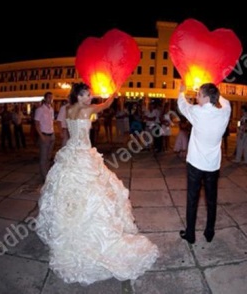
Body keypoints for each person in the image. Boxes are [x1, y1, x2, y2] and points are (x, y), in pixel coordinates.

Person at [35, 82, 159, 285]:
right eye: (86, 94)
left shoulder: (68, 109)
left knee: (69, 192)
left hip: (72, 151)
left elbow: (67, 133)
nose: (90, 97)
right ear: (79, 95)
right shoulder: (86, 109)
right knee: (96, 193)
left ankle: (68, 228)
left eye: (90, 94)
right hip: (84, 154)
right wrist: (114, 94)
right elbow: (106, 105)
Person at [177, 82, 231, 244]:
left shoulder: (197, 112)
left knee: (192, 199)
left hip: (195, 164)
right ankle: (209, 233)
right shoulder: (225, 112)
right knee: (211, 200)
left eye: (199, 94)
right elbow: (226, 102)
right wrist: (217, 93)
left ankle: (191, 234)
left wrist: (181, 92)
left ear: (206, 98)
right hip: (213, 166)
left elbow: (182, 105)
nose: (196, 96)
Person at [34, 92, 55, 183]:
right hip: (44, 135)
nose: (50, 99)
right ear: (45, 98)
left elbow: (51, 122)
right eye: (49, 97)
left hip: (51, 135)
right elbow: (36, 124)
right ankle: (45, 177)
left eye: (52, 97)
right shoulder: (40, 110)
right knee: (43, 157)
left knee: (49, 157)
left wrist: (53, 134)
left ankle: (47, 174)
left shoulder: (51, 109)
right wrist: (41, 136)